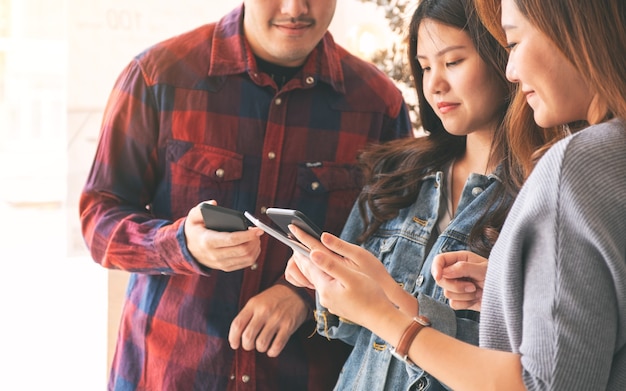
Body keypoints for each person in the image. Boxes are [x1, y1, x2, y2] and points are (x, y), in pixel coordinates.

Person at [286, 0, 626, 389]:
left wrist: (384, 312)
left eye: (453, 62)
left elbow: (540, 380)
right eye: (425, 66)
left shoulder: (564, 171)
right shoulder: (399, 174)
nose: (434, 83)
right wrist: (344, 290)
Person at [78, 0, 412, 389]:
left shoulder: (378, 105)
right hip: (170, 373)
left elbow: (397, 253)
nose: (295, 8)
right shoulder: (157, 77)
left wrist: (306, 296)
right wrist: (181, 244)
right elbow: (99, 220)